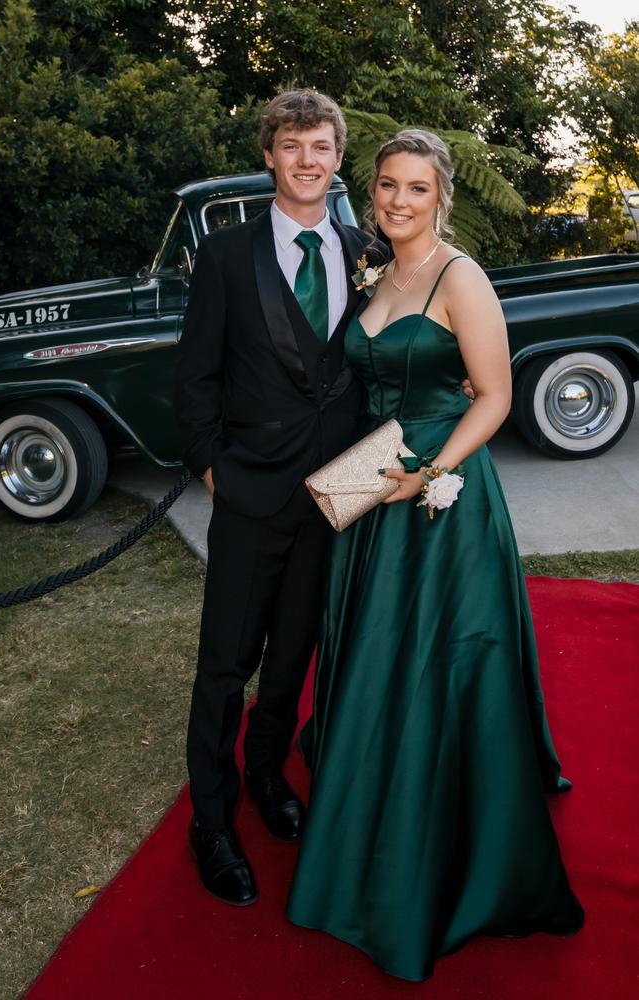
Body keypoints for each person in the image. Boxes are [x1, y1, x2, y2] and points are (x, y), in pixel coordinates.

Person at [287, 129, 585, 980]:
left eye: (416, 188)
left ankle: (438, 819)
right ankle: (369, 787)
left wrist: (430, 474)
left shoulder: (463, 277)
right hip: (370, 485)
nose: (399, 202)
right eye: (387, 186)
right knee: (374, 653)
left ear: (440, 195)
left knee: (430, 660)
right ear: (371, 193)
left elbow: (493, 395)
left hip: (436, 498)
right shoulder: (374, 274)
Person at [173, 89, 391, 907]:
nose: (309, 160)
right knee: (224, 667)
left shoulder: (360, 246)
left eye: (323, 147)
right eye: (293, 145)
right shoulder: (227, 257)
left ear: (339, 159)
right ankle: (213, 822)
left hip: (335, 494)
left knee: (294, 655)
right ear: (270, 154)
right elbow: (192, 378)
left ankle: (267, 776)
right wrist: (212, 468)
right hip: (249, 492)